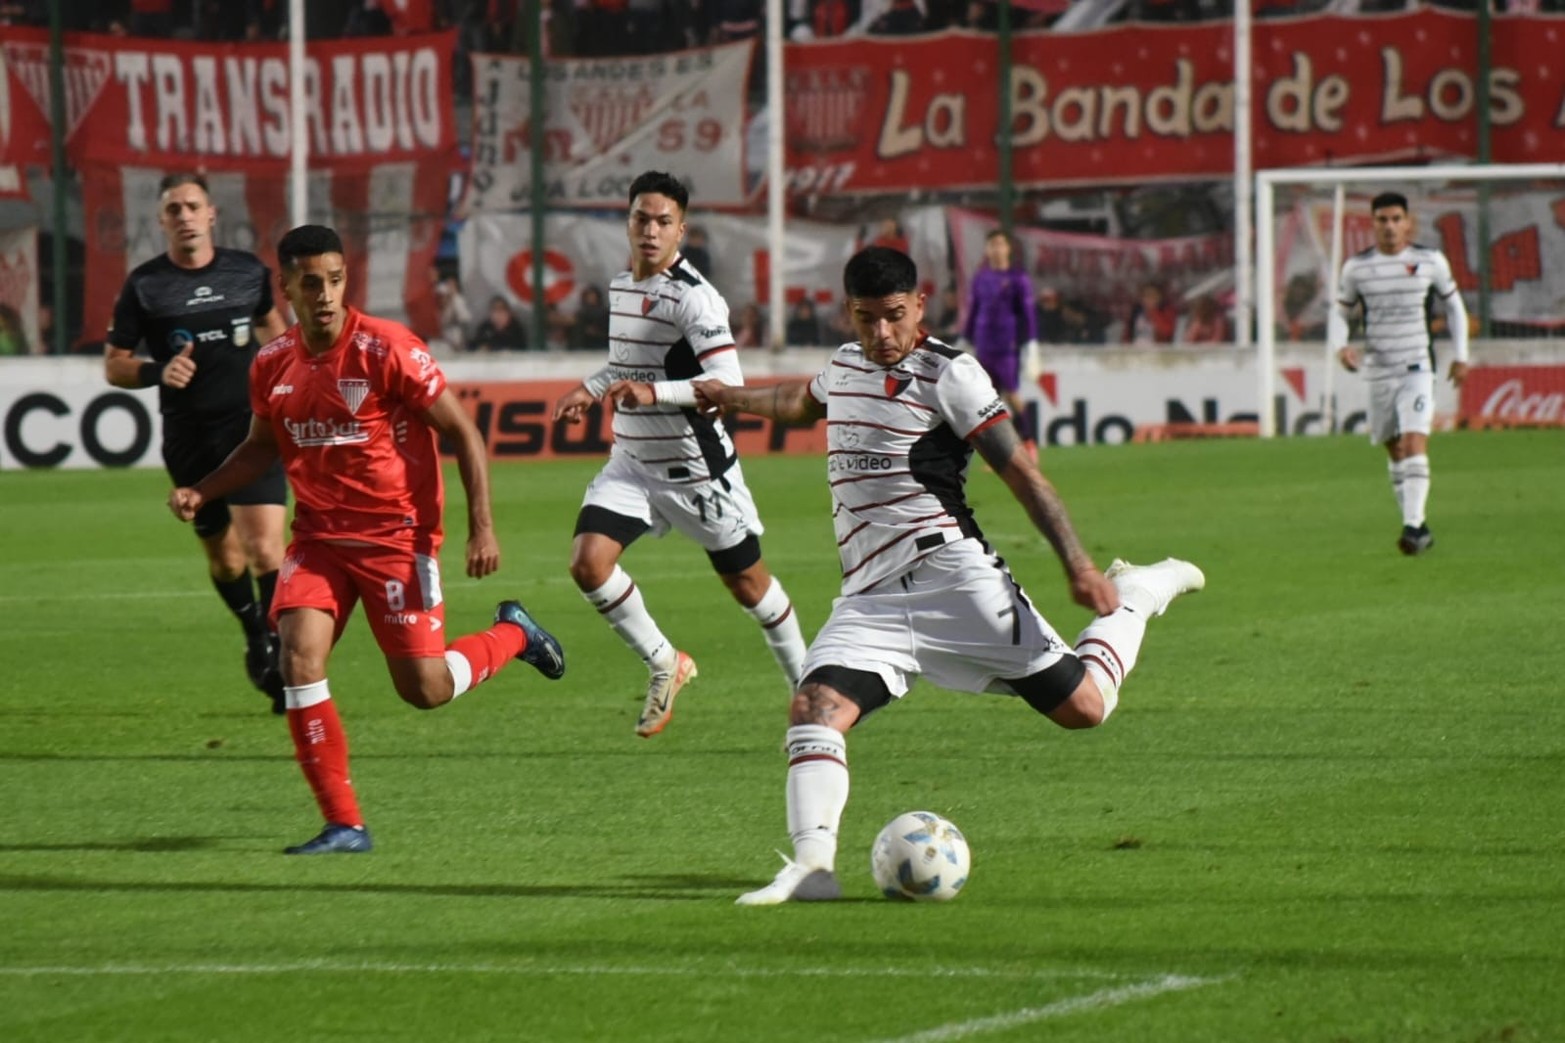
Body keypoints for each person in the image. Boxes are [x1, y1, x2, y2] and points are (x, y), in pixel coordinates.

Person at [692, 246, 1205, 905]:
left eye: (894, 317)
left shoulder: (950, 375)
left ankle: (1135, 594)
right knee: (813, 707)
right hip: (869, 597)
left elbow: (1022, 473)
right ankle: (812, 867)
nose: (880, 334)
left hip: (956, 579)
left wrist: (1076, 562)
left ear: (920, 307)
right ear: (847, 313)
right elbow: (801, 402)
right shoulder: (845, 364)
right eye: (865, 318)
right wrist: (731, 397)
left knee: (1085, 708)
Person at [167, 224, 566, 855]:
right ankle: (344, 824)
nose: (324, 294)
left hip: (396, 539)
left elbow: (464, 433)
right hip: (319, 539)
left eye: (334, 279)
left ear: (344, 279)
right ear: (287, 287)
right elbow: (259, 449)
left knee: (425, 689)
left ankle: (514, 633)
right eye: (309, 282)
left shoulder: (390, 349)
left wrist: (481, 526)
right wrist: (203, 489)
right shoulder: (272, 364)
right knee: (296, 659)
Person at [552, 171, 808, 738]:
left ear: (681, 231)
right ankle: (665, 661)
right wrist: (590, 390)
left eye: (663, 221)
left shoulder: (694, 298)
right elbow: (626, 364)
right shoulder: (623, 286)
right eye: (642, 218)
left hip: (695, 471)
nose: (651, 230)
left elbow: (727, 381)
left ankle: (807, 688)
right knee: (587, 562)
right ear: (628, 223)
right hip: (634, 463)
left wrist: (655, 393)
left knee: (749, 585)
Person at [103, 173, 291, 714]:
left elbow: (274, 332)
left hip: (251, 432)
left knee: (263, 549)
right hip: (188, 440)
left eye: (192, 206)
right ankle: (256, 632)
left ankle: (280, 654)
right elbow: (115, 366)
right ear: (162, 221)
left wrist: (293, 380)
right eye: (173, 209)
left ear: (211, 215)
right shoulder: (145, 286)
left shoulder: (247, 273)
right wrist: (157, 371)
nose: (184, 216)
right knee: (226, 557)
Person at [1329, 190, 1469, 556]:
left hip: (1417, 366)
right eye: (1382, 220)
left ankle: (1414, 526)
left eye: (1396, 219)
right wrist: (1340, 346)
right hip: (1377, 369)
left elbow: (1454, 307)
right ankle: (1414, 520)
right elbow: (1340, 311)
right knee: (1394, 450)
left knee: (1413, 442)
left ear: (1408, 222)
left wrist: (1462, 355)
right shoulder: (1357, 267)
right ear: (1372, 224)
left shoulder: (1429, 261)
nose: (1390, 226)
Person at [962, 229, 1040, 451]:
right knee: (988, 398)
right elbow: (974, 309)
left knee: (1012, 393)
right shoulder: (981, 278)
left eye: (1000, 244)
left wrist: (1030, 341)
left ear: (1007, 248)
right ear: (987, 249)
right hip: (983, 343)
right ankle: (1002, 450)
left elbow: (1027, 313)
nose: (996, 249)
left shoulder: (1018, 279)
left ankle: (1029, 443)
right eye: (992, 245)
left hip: (1007, 344)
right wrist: (965, 337)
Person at [568, 285, 611, 350]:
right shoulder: (581, 313)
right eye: (589, 296)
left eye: (593, 296)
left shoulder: (605, 312)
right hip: (584, 344)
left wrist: (597, 331)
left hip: (602, 343)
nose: (591, 298)